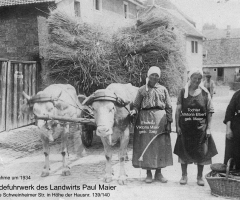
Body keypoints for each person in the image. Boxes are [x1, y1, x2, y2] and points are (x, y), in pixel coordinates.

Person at [174, 68, 218, 186]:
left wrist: (208, 127)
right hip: (185, 128)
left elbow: (210, 111)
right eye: (195, 78)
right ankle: (184, 175)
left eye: (199, 79)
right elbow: (178, 110)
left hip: (200, 129)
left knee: (201, 152)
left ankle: (199, 177)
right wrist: (177, 126)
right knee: (184, 151)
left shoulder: (205, 93)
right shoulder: (183, 92)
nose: (197, 81)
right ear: (190, 78)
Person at [130, 66, 173, 184]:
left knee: (160, 145)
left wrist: (169, 122)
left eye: (157, 75)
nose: (154, 77)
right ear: (148, 76)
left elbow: (169, 106)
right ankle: (148, 173)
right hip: (145, 120)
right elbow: (136, 105)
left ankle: (158, 173)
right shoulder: (142, 90)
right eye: (152, 75)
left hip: (160, 119)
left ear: (159, 77)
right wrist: (134, 111)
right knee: (146, 146)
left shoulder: (163, 89)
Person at [223, 90, 240, 169]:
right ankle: (231, 175)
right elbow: (229, 112)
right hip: (237, 127)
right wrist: (228, 129)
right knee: (233, 152)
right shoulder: (237, 94)